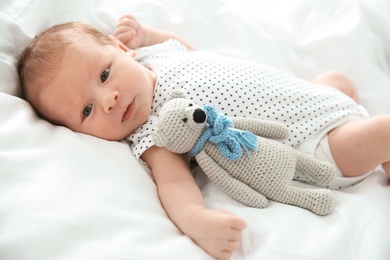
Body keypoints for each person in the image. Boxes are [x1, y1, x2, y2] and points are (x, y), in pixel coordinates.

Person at [17, 14, 390, 259]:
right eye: (87, 111)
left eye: (103, 75)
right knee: (378, 132)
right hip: (313, 146)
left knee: (337, 79)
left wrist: (150, 34)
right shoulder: (155, 132)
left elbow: (191, 53)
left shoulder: (156, 56)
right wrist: (196, 220)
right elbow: (175, 183)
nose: (109, 100)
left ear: (121, 49)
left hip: (308, 98)